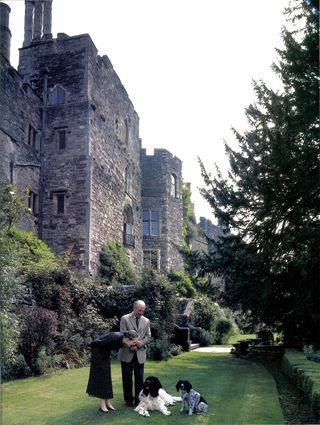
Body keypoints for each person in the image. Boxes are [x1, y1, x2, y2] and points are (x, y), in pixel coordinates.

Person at [86, 330, 138, 413]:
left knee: (107, 377)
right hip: (98, 353)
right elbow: (96, 343)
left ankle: (108, 402)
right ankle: (103, 404)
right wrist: (90, 346)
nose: (134, 344)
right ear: (127, 339)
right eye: (133, 342)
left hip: (105, 353)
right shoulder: (114, 337)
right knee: (103, 378)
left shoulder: (123, 340)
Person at [118, 300, 151, 406]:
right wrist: (132, 345)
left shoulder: (146, 321)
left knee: (140, 378)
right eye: (139, 310)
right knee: (127, 378)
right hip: (127, 353)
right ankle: (128, 400)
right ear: (134, 308)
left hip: (140, 353)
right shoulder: (125, 318)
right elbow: (123, 335)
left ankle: (138, 399)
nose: (141, 312)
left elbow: (148, 336)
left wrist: (140, 343)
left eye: (143, 310)